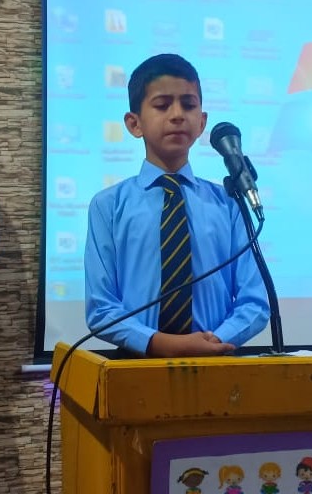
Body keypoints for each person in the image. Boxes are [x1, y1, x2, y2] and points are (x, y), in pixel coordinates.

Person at [84, 53, 269, 358]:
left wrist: (215, 341)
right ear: (134, 123)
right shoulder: (109, 206)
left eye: (188, 104)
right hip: (136, 366)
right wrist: (164, 343)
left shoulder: (228, 204)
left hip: (216, 362)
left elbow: (255, 302)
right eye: (162, 105)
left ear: (202, 122)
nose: (177, 115)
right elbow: (101, 308)